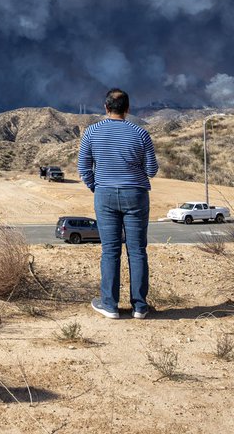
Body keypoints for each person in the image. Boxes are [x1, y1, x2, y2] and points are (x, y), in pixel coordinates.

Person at [77, 88, 159, 320]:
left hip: (105, 195)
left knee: (110, 250)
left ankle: (110, 305)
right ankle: (140, 307)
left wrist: (98, 187)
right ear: (127, 109)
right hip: (136, 194)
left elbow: (83, 168)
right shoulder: (141, 134)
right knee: (137, 250)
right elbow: (152, 170)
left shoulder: (91, 132)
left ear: (105, 108)